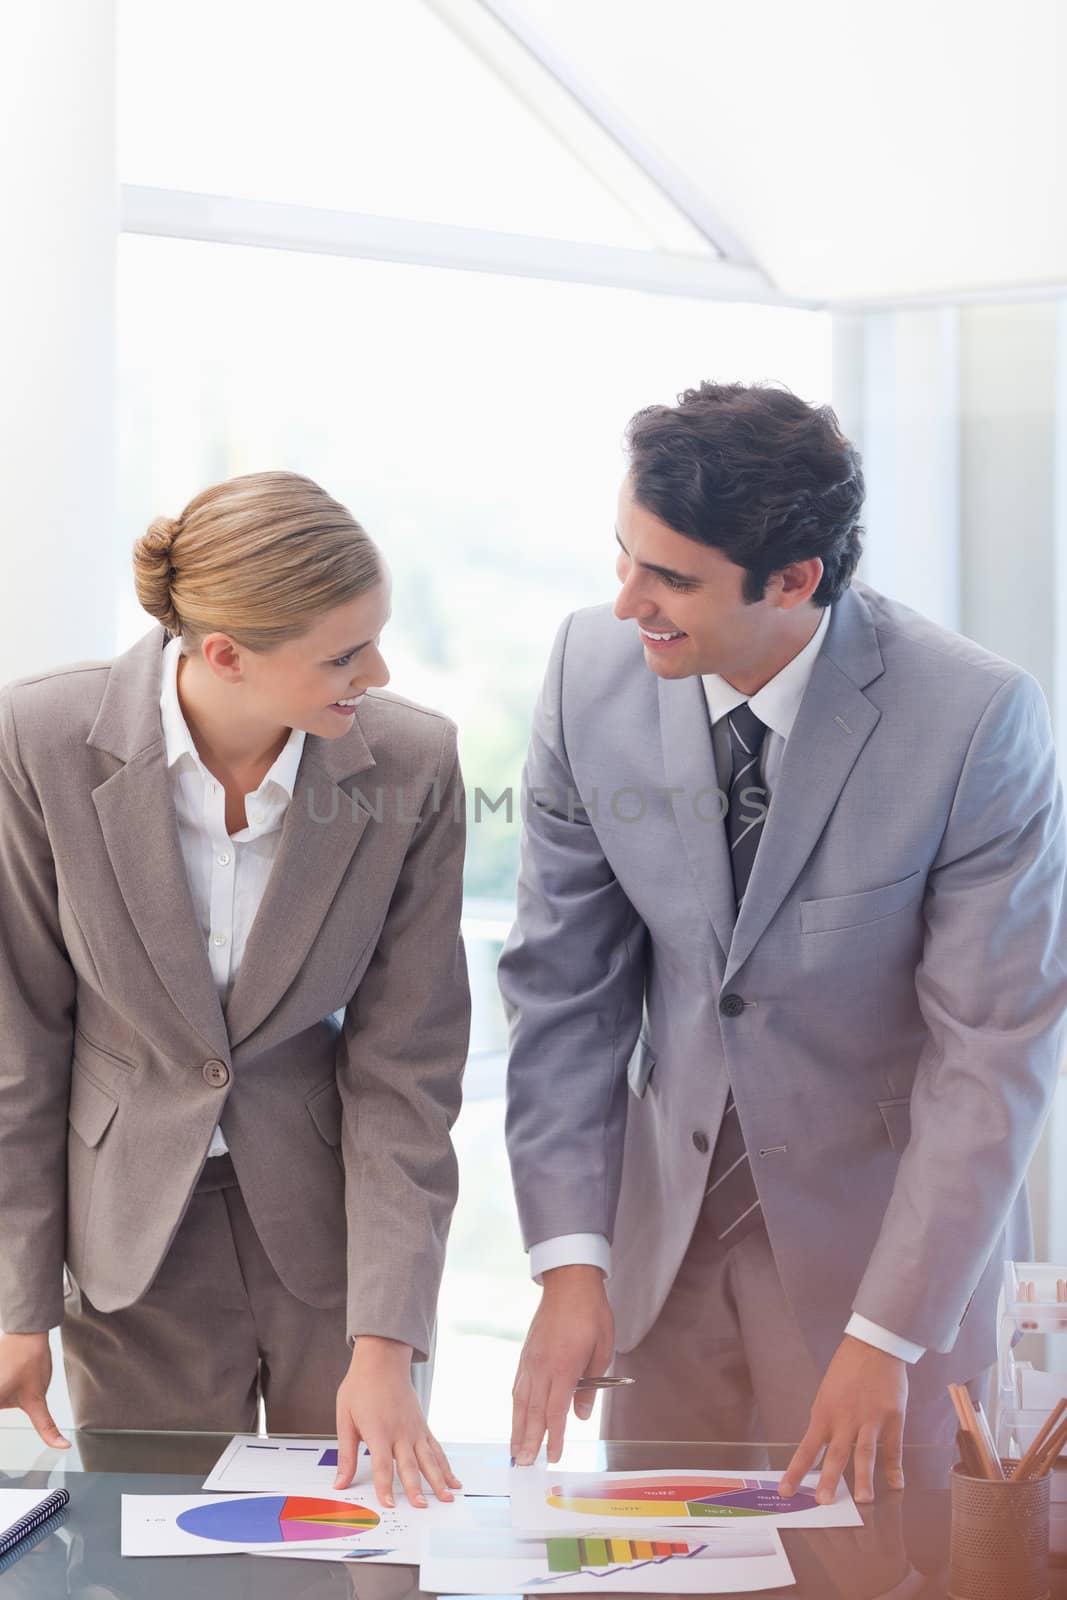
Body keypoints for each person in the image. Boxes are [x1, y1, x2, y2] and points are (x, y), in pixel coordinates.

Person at [500, 381, 1067, 1505]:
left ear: (795, 579)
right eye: (623, 557)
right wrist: (570, 1264)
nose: (627, 604)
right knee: (643, 1572)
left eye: (668, 578)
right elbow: (564, 991)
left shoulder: (972, 719)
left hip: (877, 1267)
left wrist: (885, 1337)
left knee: (868, 1573)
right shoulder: (585, 673)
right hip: (659, 1262)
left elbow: (989, 1053)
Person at [0, 470, 469, 1508]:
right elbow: (20, 1040)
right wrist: (15, 1304)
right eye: (344, 654)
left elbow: (408, 1066)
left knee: (362, 1557)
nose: (377, 671)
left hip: (336, 1237)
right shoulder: (40, 737)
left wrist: (385, 1339)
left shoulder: (412, 760)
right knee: (155, 1562)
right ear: (224, 655)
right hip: (130, 1251)